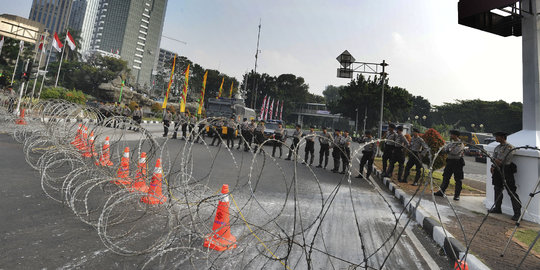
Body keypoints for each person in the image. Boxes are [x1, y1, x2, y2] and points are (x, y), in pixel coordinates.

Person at [489, 131, 521, 221]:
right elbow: (494, 159)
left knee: (511, 191)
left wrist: (495, 160)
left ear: (503, 137)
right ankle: (497, 208)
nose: (496, 138)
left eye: (497, 136)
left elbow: (500, 160)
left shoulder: (509, 147)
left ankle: (517, 213)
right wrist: (493, 165)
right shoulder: (497, 147)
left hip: (506, 170)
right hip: (497, 170)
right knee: (497, 189)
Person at [434, 130, 465, 201]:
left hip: (457, 163)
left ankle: (457, 195)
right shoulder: (451, 143)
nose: (450, 136)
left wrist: (448, 150)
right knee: (445, 177)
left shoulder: (460, 144)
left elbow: (454, 152)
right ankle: (441, 192)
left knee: (458, 179)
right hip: (450, 162)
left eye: (452, 135)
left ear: (456, 135)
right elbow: (445, 149)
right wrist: (447, 150)